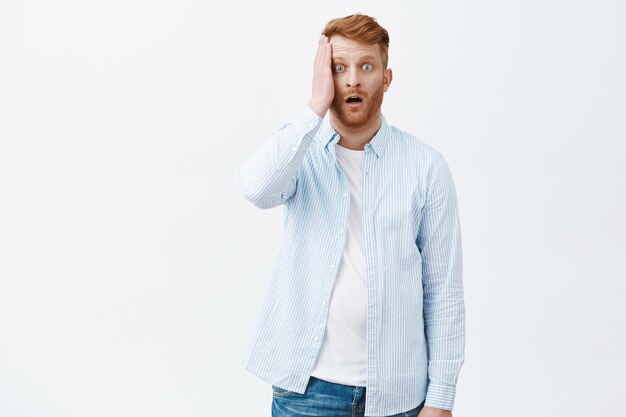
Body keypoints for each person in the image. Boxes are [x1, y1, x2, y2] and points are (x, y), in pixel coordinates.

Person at [235, 13, 465, 417]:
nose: (353, 80)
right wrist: (315, 105)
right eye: (339, 68)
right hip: (307, 393)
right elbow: (255, 188)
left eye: (366, 67)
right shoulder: (299, 154)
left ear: (387, 78)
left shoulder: (426, 167)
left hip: (398, 396)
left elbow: (443, 291)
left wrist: (441, 398)